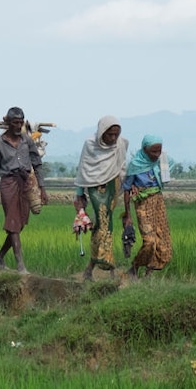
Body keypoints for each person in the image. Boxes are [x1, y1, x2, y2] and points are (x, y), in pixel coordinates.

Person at [0, 107, 48, 274]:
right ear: (7, 124)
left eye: (20, 123)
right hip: (9, 183)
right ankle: (20, 265)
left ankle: (0, 256)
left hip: (26, 183)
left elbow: (37, 163)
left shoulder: (27, 140)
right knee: (13, 223)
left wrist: (42, 188)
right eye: (15, 123)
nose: (18, 126)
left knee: (20, 224)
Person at [74, 116, 129, 280]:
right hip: (95, 186)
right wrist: (79, 193)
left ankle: (91, 269)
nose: (113, 139)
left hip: (113, 184)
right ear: (101, 132)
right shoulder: (90, 144)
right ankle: (109, 266)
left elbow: (122, 166)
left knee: (105, 223)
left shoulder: (121, 144)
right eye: (109, 135)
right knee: (103, 221)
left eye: (116, 135)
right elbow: (83, 168)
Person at [122, 135, 172, 278]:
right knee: (150, 241)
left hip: (158, 201)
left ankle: (149, 273)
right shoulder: (135, 165)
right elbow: (126, 189)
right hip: (143, 203)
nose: (156, 155)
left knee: (163, 241)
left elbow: (166, 175)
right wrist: (128, 215)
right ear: (145, 150)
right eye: (153, 152)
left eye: (159, 151)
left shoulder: (161, 161)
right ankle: (135, 266)